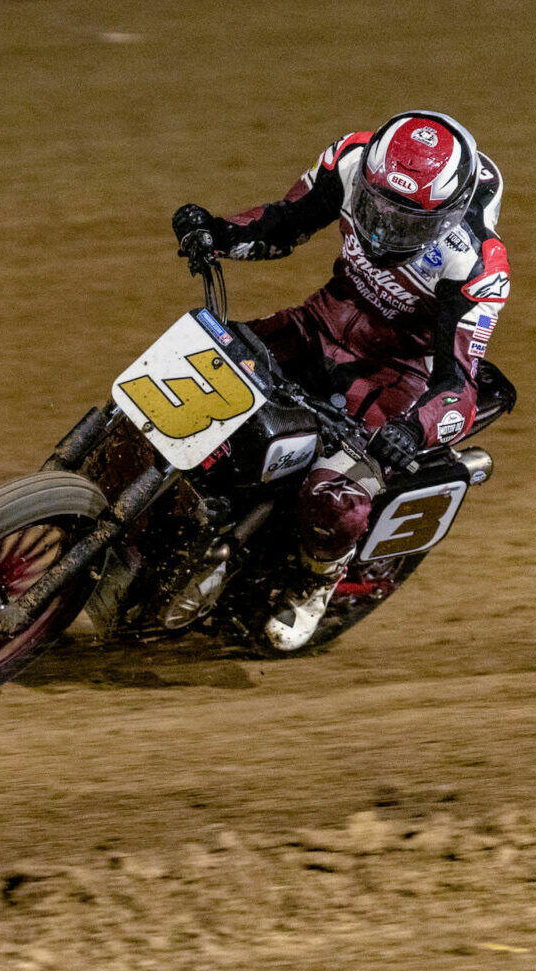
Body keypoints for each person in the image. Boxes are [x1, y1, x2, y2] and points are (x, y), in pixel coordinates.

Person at [172, 110, 509, 651]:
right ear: (369, 179)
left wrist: (413, 431)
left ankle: (316, 581)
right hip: (318, 322)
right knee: (197, 360)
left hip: (395, 373)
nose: (387, 229)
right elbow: (282, 224)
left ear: (449, 215)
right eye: (379, 208)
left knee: (334, 496)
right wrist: (215, 232)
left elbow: (458, 386)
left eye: (411, 222)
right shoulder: (350, 160)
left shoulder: (478, 266)